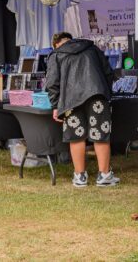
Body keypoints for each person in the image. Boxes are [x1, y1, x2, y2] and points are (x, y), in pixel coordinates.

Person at [45, 32, 118, 188]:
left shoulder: (56, 54)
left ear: (56, 44)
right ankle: (104, 175)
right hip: (97, 96)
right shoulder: (92, 49)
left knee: (76, 137)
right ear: (71, 40)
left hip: (70, 101)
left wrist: (55, 106)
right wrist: (106, 93)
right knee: (100, 135)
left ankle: (80, 176)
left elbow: (52, 83)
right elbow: (109, 73)